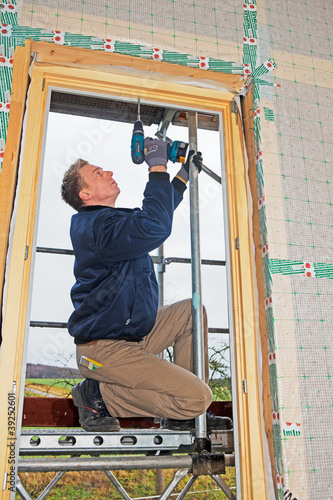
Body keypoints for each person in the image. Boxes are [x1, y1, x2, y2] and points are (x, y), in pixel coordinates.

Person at [61, 137, 232, 433]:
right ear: (85, 193)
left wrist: (181, 176)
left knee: (190, 311)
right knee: (199, 397)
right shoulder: (98, 228)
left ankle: (186, 412)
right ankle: (98, 394)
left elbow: (157, 216)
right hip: (103, 351)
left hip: (132, 334)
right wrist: (156, 167)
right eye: (98, 173)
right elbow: (155, 226)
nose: (109, 173)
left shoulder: (109, 222)